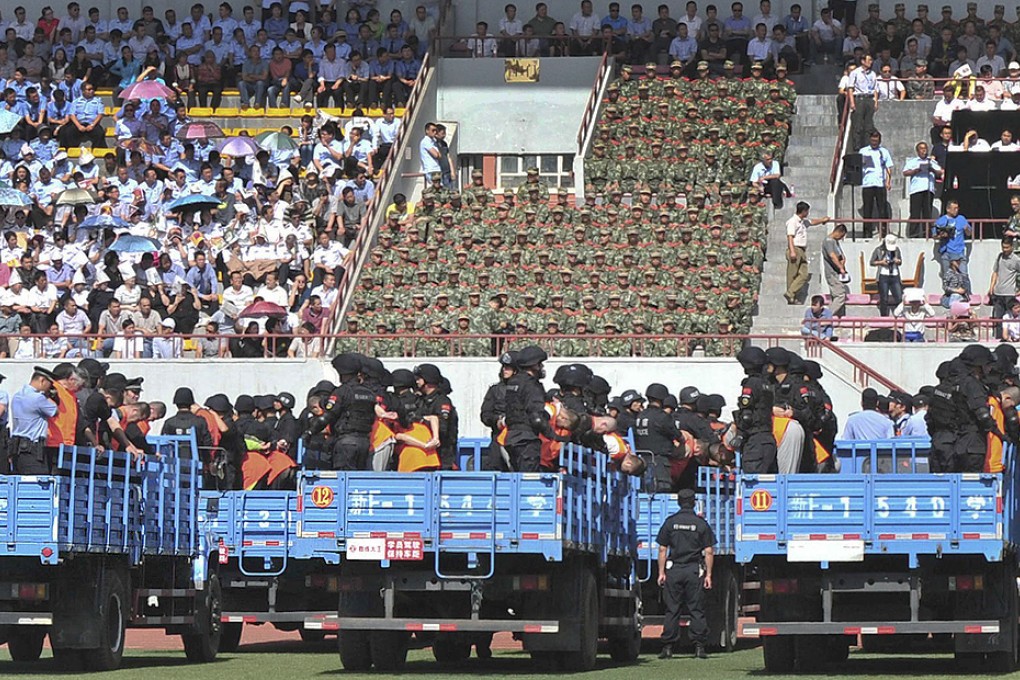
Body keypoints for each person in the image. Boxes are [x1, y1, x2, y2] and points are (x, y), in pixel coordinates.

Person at [657, 488, 714, 661]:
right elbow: (709, 551)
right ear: (694, 502)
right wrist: (708, 575)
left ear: (678, 502)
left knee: (672, 609)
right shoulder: (700, 524)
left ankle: (668, 648)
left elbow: (662, 549)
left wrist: (661, 572)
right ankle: (699, 647)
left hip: (674, 570)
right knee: (696, 609)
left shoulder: (670, 522)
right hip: (694, 570)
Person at [303, 353, 380, 470]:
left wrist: (310, 432)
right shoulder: (369, 393)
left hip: (346, 443)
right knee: (358, 481)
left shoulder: (342, 391)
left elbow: (328, 416)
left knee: (343, 480)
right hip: (365, 442)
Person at [733, 346, 777, 473]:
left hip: (755, 441)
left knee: (754, 485)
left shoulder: (751, 383)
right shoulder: (768, 385)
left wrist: (740, 435)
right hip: (768, 439)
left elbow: (747, 414)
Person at [634, 382, 684, 490]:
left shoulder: (639, 416)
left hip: (641, 462)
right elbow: (676, 434)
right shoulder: (662, 417)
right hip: (659, 463)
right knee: (662, 491)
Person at [9, 366, 59, 474]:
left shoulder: (17, 396)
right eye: (49, 385)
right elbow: (55, 411)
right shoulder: (38, 398)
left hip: (16, 448)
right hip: (33, 449)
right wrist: (49, 396)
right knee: (38, 484)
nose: (49, 388)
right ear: (42, 380)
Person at [785, 201, 830, 305]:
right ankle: (791, 296)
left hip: (802, 250)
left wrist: (823, 220)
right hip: (795, 248)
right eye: (807, 211)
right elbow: (790, 237)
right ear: (804, 211)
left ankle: (790, 292)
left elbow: (812, 222)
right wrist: (792, 251)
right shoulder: (792, 222)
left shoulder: (802, 222)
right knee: (792, 274)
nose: (808, 213)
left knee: (804, 275)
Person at [902, 141, 942, 237]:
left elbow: (940, 172)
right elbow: (905, 172)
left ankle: (926, 234)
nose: (924, 151)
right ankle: (913, 235)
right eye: (921, 149)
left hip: (929, 190)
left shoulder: (931, 161)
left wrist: (932, 169)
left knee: (927, 213)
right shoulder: (913, 162)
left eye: (925, 148)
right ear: (917, 151)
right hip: (916, 190)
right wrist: (915, 171)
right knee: (915, 213)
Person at [859, 129, 893, 238]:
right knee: (867, 209)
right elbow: (858, 165)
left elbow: (888, 167)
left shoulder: (883, 152)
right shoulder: (863, 151)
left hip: (880, 183)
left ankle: (884, 232)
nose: (874, 142)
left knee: (882, 209)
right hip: (867, 183)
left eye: (876, 140)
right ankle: (867, 233)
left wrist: (888, 181)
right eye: (873, 140)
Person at [161, 387, 213, 455]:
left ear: (176, 404)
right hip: (197, 462)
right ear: (191, 403)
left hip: (174, 463)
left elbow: (163, 443)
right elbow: (207, 444)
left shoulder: (169, 423)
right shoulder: (200, 422)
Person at [932, 199, 971, 281]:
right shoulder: (941, 221)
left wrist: (966, 229)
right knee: (948, 277)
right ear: (948, 209)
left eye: (957, 208)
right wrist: (942, 235)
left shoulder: (961, 219)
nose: (956, 210)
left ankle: (964, 292)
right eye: (954, 208)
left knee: (963, 276)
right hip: (947, 253)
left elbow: (969, 233)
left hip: (959, 252)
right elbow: (934, 235)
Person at [847, 53, 877, 151]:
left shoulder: (872, 74)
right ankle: (857, 146)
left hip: (869, 98)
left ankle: (867, 145)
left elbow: (875, 88)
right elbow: (850, 88)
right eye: (869, 60)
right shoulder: (855, 73)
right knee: (858, 124)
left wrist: (875, 101)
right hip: (859, 98)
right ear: (863, 61)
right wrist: (852, 102)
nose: (870, 62)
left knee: (869, 124)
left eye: (871, 60)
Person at [870, 233, 903, 316]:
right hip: (883, 275)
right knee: (884, 298)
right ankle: (884, 317)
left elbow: (900, 262)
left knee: (899, 297)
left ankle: (899, 315)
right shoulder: (878, 250)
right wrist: (881, 262)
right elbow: (872, 262)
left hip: (894, 275)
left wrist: (897, 261)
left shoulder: (897, 250)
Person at [988, 237, 1020, 320]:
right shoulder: (999, 257)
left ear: (1012, 247)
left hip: (1009, 294)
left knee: (1010, 319)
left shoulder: (1016, 260)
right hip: (998, 293)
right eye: (1003, 247)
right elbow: (995, 272)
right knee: (998, 320)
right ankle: (998, 333)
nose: (1005, 249)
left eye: (1007, 247)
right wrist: (991, 287)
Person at [822, 223, 849, 317]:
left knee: (835, 296)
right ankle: (826, 316)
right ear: (838, 232)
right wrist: (841, 268)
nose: (841, 238)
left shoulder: (835, 242)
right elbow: (832, 256)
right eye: (841, 235)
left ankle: (837, 317)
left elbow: (840, 255)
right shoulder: (829, 241)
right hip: (832, 273)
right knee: (840, 295)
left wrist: (843, 262)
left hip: (837, 273)